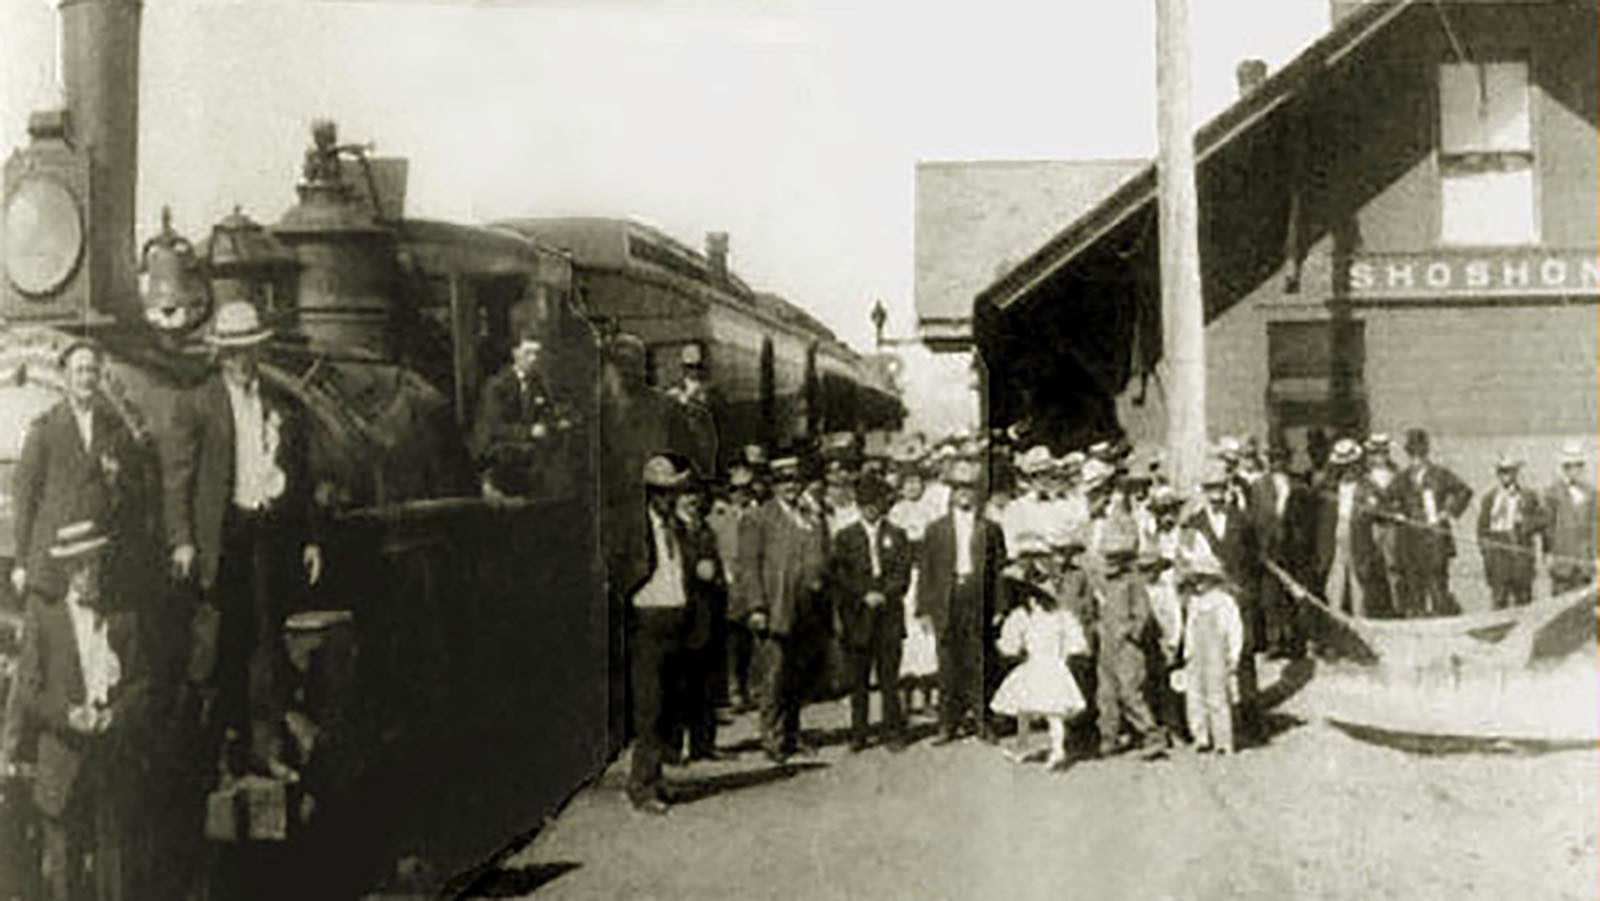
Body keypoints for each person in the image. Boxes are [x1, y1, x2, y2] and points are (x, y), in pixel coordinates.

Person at [160, 301, 322, 781]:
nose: (242, 360)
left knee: (264, 642)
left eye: (249, 350)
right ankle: (208, 756)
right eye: (234, 351)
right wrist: (183, 540)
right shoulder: (198, 403)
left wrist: (310, 540)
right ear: (221, 354)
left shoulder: (276, 403)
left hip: (264, 534)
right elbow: (178, 480)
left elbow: (300, 477)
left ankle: (264, 749)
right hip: (220, 538)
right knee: (213, 647)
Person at [16, 521, 146, 901]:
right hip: (62, 760)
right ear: (66, 571)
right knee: (65, 878)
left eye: (94, 563)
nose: (89, 573)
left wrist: (116, 716)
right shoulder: (46, 618)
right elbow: (28, 690)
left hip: (108, 761)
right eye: (79, 566)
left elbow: (142, 685)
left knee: (114, 870)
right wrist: (66, 715)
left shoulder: (123, 619)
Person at [11, 341, 138, 602]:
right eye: (79, 371)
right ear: (65, 376)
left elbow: (133, 493)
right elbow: (25, 499)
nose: (86, 379)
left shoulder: (116, 430)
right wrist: (21, 561)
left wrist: (116, 479)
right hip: (52, 559)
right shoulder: (44, 429)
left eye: (92, 371)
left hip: (98, 560)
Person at [738, 455, 829, 763]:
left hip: (806, 610)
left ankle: (792, 734)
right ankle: (772, 739)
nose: (791, 487)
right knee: (773, 677)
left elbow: (818, 558)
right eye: (784, 482)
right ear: (774, 485)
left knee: (796, 677)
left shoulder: (808, 517)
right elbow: (748, 566)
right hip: (775, 608)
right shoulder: (758, 518)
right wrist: (756, 606)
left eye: (795, 481)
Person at [624, 455, 698, 814]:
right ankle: (641, 785)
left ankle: (656, 777)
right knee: (649, 706)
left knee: (670, 703)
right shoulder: (635, 529)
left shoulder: (678, 528)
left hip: (676, 619)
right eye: (665, 492)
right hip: (647, 621)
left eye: (675, 491)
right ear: (651, 494)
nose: (671, 498)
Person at [917, 460, 1007, 745]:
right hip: (948, 597)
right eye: (959, 488)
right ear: (951, 492)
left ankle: (982, 721)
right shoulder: (936, 529)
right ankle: (947, 724)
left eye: (970, 488)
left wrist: (1000, 607)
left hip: (977, 596)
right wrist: (923, 610)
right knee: (947, 664)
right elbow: (926, 572)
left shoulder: (990, 529)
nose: (964, 494)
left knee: (978, 661)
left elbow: (998, 571)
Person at [990, 534, 1088, 771]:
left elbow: (1075, 642)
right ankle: (1024, 746)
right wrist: (1010, 647)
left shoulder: (1060, 617)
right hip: (1035, 666)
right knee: (1025, 708)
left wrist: (1066, 656)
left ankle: (1058, 750)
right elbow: (1011, 643)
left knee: (1053, 711)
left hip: (1052, 667)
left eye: (1037, 597)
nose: (1033, 601)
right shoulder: (1025, 617)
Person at [830, 475, 913, 752]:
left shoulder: (897, 535)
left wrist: (884, 593)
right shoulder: (845, 537)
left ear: (882, 505)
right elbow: (840, 576)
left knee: (890, 677)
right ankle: (859, 732)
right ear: (858, 506)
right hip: (858, 613)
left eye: (874, 503)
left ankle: (893, 731)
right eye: (864, 504)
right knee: (859, 679)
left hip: (888, 612)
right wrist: (863, 593)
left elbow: (902, 574)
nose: (870, 509)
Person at [1088, 518, 1165, 757]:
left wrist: (1132, 632)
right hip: (1107, 643)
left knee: (1130, 691)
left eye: (1115, 558)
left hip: (1128, 647)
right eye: (1108, 557)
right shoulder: (1104, 583)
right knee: (1106, 693)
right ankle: (1108, 736)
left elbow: (1143, 614)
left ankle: (1151, 734)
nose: (1110, 563)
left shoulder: (1133, 583)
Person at [469, 331, 573, 497]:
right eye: (528, 353)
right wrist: (529, 431)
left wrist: (556, 422)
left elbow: (546, 411)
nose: (533, 359)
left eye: (536, 354)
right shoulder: (497, 386)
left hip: (523, 448)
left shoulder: (536, 383)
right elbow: (494, 427)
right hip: (495, 451)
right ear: (515, 353)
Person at [670, 481, 727, 763]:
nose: (692, 501)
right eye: (686, 496)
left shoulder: (705, 529)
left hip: (708, 612)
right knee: (680, 686)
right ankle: (674, 747)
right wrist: (696, 570)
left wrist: (716, 577)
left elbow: (715, 564)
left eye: (695, 496)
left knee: (706, 684)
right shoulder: (672, 529)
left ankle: (703, 744)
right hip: (682, 613)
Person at [1394, 428, 1472, 617]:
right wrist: (1397, 513)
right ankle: (1419, 621)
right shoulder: (1403, 478)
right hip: (1411, 540)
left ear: (1426, 453)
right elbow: (1385, 499)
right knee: (1415, 585)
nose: (1416, 459)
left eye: (1420, 454)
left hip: (1436, 539)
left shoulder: (1440, 474)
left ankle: (1443, 621)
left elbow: (1464, 491)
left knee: (1438, 584)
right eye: (1412, 454)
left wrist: (1449, 512)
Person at [1177, 552, 1244, 755]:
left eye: (1202, 579)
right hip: (1197, 654)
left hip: (1217, 653)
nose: (1198, 585)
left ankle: (1223, 740)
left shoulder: (1224, 602)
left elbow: (1235, 630)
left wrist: (1234, 655)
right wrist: (1188, 653)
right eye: (1195, 580)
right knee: (1195, 696)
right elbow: (1189, 628)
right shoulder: (1195, 603)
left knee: (1217, 697)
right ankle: (1201, 737)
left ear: (1213, 580)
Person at [888, 462, 939, 714]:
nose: (912, 487)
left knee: (927, 633)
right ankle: (905, 699)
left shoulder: (932, 511)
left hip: (926, 575)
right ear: (900, 486)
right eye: (907, 482)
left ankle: (928, 697)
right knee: (906, 635)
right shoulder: (895, 513)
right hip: (905, 578)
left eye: (917, 482)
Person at [708, 465, 759, 711]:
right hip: (729, 585)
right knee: (731, 641)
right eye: (737, 490)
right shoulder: (718, 518)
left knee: (752, 639)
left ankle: (751, 685)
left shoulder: (757, 514)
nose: (742, 494)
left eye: (746, 489)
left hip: (752, 582)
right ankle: (733, 688)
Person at [1251, 442, 1309, 656]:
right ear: (1269, 461)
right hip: (1268, 549)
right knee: (1270, 597)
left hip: (1293, 548)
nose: (1278, 463)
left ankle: (1294, 640)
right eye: (1274, 459)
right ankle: (1274, 641)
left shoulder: (1298, 484)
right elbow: (1255, 518)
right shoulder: (1259, 486)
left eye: (1282, 458)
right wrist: (1259, 548)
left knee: (1292, 595)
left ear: (1288, 460)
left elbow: (1306, 519)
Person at [1314, 439, 1381, 618]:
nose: (1348, 471)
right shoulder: (1330, 486)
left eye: (1351, 466)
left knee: (1358, 578)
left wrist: (1370, 508)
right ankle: (1335, 618)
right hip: (1335, 535)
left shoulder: (1367, 485)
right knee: (1334, 579)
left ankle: (1360, 619)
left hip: (1358, 535)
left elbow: (1381, 506)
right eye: (1343, 467)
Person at [1476, 456, 1541, 609]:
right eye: (1502, 472)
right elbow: (1481, 530)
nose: (1506, 476)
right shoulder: (1490, 498)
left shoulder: (1528, 496)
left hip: (1520, 554)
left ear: (1516, 473)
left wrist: (1524, 522)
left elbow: (1541, 520)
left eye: (1510, 472)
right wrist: (1487, 552)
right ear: (1498, 474)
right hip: (1498, 557)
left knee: (1524, 600)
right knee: (1499, 600)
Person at [1542, 443, 1597, 595]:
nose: (1576, 470)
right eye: (1571, 466)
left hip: (1584, 564)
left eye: (1580, 465)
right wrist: (1548, 555)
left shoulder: (1592, 493)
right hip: (1562, 565)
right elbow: (1548, 528)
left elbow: (1595, 528)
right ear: (1564, 468)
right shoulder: (1552, 492)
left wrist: (1596, 557)